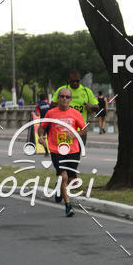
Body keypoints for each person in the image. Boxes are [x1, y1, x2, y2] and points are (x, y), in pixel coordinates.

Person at [37, 88, 87, 217]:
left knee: (71, 179)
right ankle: (68, 206)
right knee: (64, 176)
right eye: (62, 96)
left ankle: (59, 187)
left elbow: (84, 129)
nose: (64, 99)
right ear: (58, 98)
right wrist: (41, 136)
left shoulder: (76, 113)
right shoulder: (51, 113)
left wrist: (75, 134)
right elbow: (41, 127)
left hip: (73, 150)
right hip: (56, 150)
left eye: (67, 97)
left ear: (70, 99)